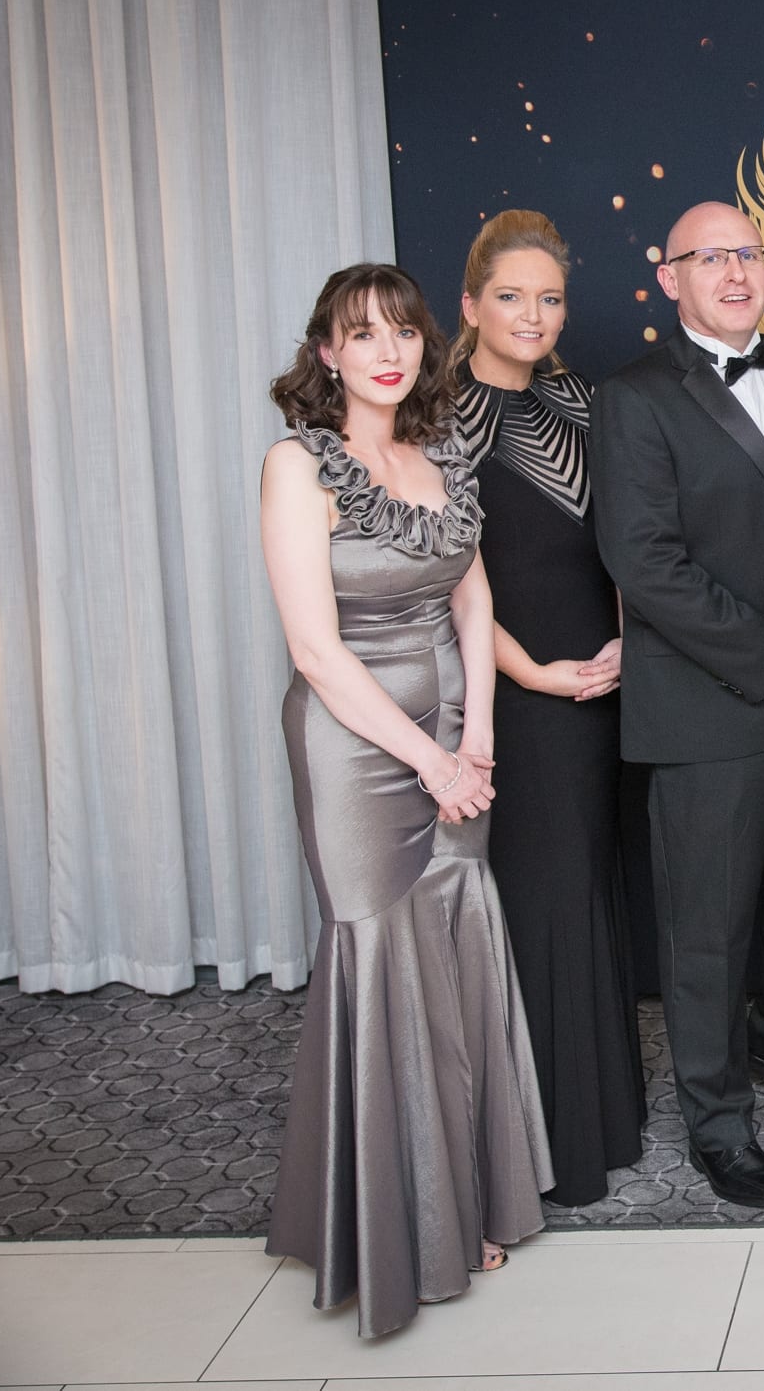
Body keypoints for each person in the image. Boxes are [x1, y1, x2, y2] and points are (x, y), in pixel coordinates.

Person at [260, 263, 551, 1337]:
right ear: (326, 351)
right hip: (356, 749)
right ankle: (396, 1222)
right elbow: (314, 651)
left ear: (427, 347)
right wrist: (430, 764)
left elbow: (472, 593)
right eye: (361, 333)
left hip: (451, 737)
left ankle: (461, 1197)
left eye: (403, 332)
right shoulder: (297, 466)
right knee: (382, 955)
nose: (387, 350)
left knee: (455, 946)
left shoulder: (442, 453)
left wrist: (476, 732)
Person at [592, 200, 764, 1211]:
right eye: (711, 258)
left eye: (750, 254)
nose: (737, 273)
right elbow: (643, 561)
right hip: (712, 704)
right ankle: (718, 1120)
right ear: (669, 276)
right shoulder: (637, 397)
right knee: (708, 927)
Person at [451, 210, 646, 1210]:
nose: (534, 314)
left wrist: (621, 639)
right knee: (539, 903)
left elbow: (622, 543)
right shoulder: (436, 421)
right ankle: (546, 1144)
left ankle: (603, 1117)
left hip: (601, 692)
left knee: (592, 898)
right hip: (514, 699)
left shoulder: (582, 402)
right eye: (514, 295)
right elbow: (442, 580)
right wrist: (533, 675)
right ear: (472, 303)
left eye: (551, 297)